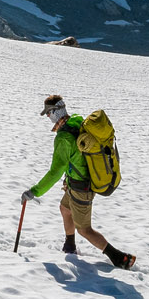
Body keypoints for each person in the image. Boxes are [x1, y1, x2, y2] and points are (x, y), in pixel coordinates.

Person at [23, 94, 134, 269]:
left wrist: (34, 191)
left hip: (81, 188)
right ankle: (69, 246)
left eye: (48, 112)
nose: (47, 116)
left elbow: (55, 172)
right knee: (65, 209)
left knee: (84, 229)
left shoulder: (63, 139)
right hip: (77, 184)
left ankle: (120, 258)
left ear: (56, 112)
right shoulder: (76, 121)